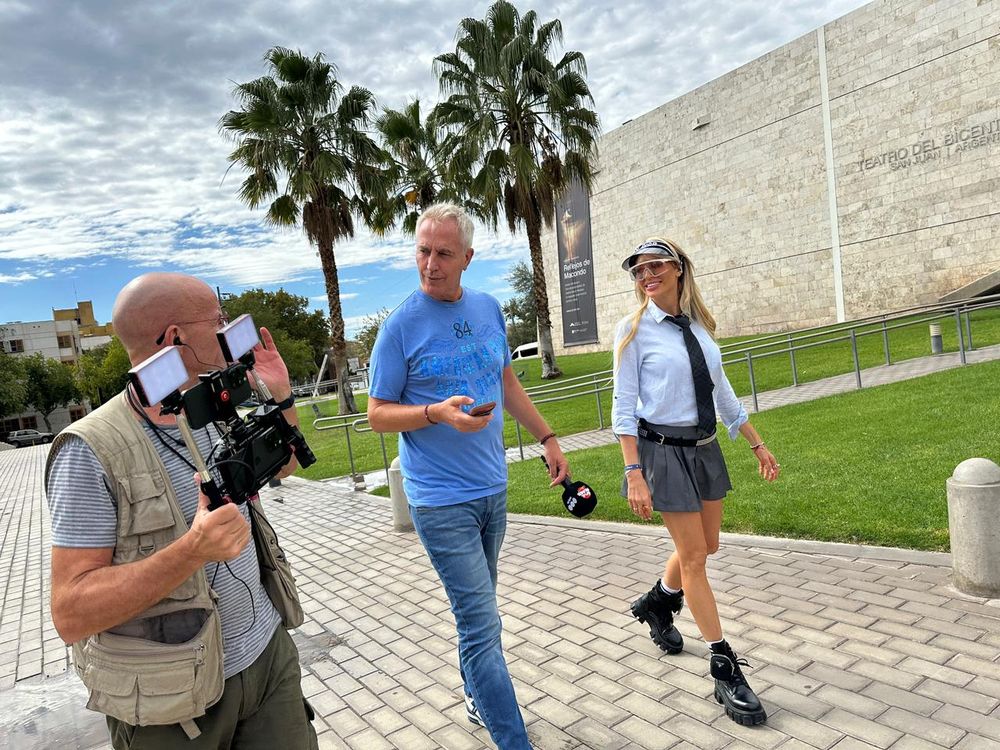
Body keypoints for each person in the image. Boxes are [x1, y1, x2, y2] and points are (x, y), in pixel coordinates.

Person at [45, 273, 318, 749]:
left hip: (267, 660)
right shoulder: (90, 450)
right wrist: (193, 550)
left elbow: (285, 467)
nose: (228, 329)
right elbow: (71, 612)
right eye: (217, 321)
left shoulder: (210, 408)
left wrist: (282, 396)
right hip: (172, 704)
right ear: (176, 339)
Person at [367, 203, 569, 750]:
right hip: (438, 501)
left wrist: (548, 438)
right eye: (423, 251)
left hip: (492, 491)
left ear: (468, 258)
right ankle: (513, 740)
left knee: (477, 614)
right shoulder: (399, 327)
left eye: (443, 254)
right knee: (482, 625)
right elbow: (377, 412)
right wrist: (435, 413)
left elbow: (506, 381)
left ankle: (477, 698)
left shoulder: (487, 308)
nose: (430, 264)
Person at [612, 238, 780, 727]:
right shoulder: (634, 330)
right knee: (695, 560)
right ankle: (725, 666)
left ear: (680, 268)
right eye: (639, 270)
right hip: (660, 454)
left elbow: (721, 390)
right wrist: (633, 473)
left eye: (656, 265)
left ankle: (657, 603)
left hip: (704, 449)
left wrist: (755, 442)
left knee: (707, 546)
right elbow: (623, 410)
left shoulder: (700, 328)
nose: (647, 275)